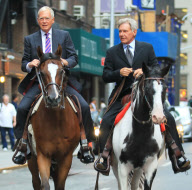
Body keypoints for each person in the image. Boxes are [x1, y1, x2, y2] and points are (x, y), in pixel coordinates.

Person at [95, 18, 190, 175]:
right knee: (106, 120)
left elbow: (156, 70)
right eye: (120, 31)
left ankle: (177, 155)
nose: (121, 34)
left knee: (169, 118)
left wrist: (144, 72)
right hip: (123, 95)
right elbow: (105, 76)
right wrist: (118, 73)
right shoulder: (112, 51)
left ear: (134, 32)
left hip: (146, 96)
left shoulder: (147, 48)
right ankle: (103, 157)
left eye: (125, 31)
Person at [13, 6, 94, 165]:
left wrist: (65, 62)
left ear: (52, 20)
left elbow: (73, 57)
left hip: (61, 82)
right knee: (22, 108)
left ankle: (86, 143)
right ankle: (22, 145)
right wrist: (30, 64)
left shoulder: (64, 35)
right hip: (38, 83)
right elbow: (23, 63)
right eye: (41, 18)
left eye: (46, 18)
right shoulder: (30, 39)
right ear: (38, 20)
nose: (44, 21)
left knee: (84, 106)